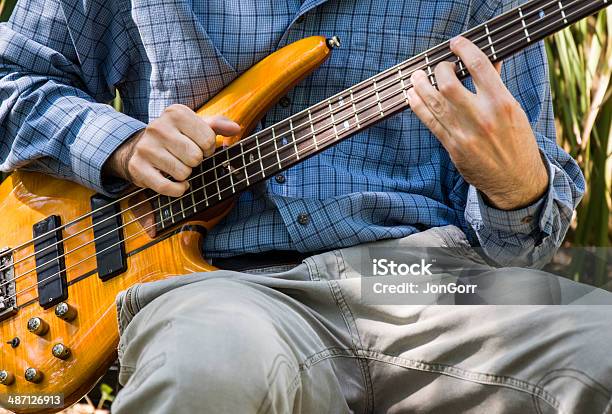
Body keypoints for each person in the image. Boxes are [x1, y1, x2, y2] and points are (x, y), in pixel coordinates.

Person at [0, 0, 610, 413]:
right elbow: (12, 79)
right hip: (224, 286)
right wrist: (122, 145)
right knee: (206, 368)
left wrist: (516, 188)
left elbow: (522, 244)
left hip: (427, 282)